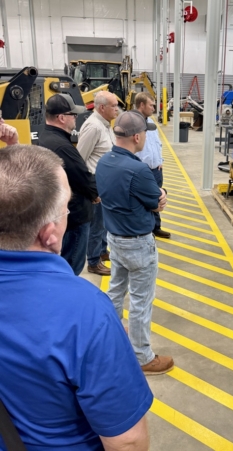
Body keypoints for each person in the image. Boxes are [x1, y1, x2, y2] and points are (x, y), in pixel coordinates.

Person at [0, 144, 153, 451]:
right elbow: (128, 442)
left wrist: (10, 157)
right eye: (66, 208)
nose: (68, 213)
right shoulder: (85, 312)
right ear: (49, 235)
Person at [96, 111, 174, 376]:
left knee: (116, 289)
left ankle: (111, 338)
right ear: (138, 137)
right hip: (138, 244)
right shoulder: (138, 169)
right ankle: (142, 356)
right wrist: (160, 195)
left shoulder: (105, 162)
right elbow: (155, 202)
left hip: (115, 239)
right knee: (141, 301)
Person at [39, 93, 99, 275]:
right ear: (61, 118)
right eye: (73, 115)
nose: (76, 118)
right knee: (71, 267)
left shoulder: (44, 137)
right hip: (75, 218)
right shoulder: (62, 147)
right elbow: (82, 176)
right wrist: (95, 194)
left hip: (59, 213)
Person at [77, 91, 119, 276]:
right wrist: (90, 187)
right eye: (114, 106)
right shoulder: (93, 127)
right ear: (102, 108)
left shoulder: (105, 125)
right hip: (95, 182)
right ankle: (93, 262)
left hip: (105, 182)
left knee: (103, 223)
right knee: (96, 225)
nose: (117, 109)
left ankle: (102, 252)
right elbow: (80, 158)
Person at [135, 92, 171, 239]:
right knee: (143, 201)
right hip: (142, 170)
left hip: (156, 170)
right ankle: (145, 230)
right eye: (151, 105)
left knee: (156, 198)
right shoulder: (133, 123)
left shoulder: (151, 122)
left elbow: (157, 143)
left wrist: (160, 160)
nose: (154, 108)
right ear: (142, 105)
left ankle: (156, 227)